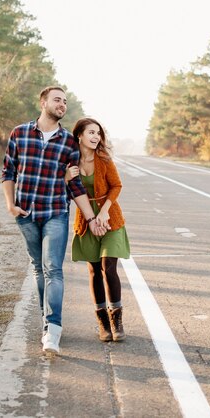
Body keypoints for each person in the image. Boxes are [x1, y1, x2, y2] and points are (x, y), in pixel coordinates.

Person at [2, 87, 106, 355]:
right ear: (43, 102)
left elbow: (75, 187)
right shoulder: (20, 133)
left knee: (53, 270)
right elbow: (8, 170)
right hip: (26, 214)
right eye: (58, 100)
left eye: (65, 101)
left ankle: (52, 328)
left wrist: (91, 217)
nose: (63, 104)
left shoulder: (68, 142)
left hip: (56, 212)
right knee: (38, 269)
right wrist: (10, 205)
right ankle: (45, 319)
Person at [66, 117, 130, 342]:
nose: (96, 137)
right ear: (79, 136)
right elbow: (64, 191)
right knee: (94, 270)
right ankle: (102, 322)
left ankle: (117, 319)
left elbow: (117, 185)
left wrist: (103, 214)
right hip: (85, 220)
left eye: (98, 133)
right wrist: (65, 178)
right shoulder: (69, 161)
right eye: (91, 133)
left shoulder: (103, 158)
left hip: (109, 218)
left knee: (108, 266)